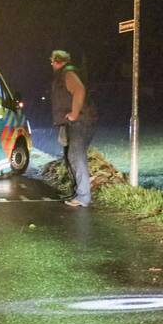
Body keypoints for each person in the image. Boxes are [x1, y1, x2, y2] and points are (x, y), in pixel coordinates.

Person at [50, 50, 97, 207]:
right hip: (74, 122)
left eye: (52, 61)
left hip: (80, 121)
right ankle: (80, 191)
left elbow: (79, 90)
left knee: (76, 155)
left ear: (57, 61)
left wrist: (74, 114)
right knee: (71, 156)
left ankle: (84, 196)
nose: (51, 64)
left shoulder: (68, 73)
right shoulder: (65, 74)